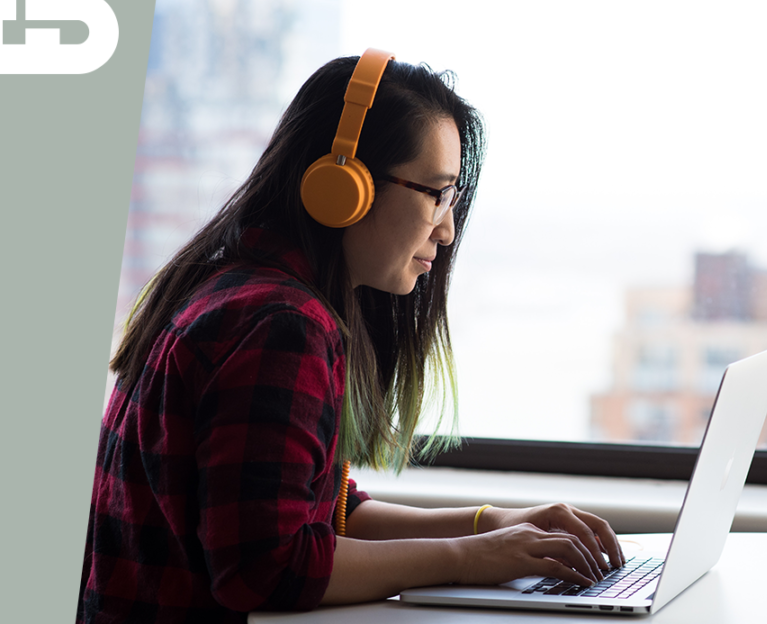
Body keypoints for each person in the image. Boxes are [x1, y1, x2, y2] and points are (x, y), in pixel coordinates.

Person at [77, 50, 625, 623]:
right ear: (343, 186)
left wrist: (493, 524)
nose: (447, 228)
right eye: (435, 193)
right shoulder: (281, 325)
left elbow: (323, 511)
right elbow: (267, 568)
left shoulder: (234, 287)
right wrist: (468, 557)